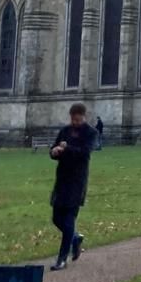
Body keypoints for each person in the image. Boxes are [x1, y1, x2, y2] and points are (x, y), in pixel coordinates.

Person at [49, 102, 95, 271]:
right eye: (73, 119)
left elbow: (84, 153)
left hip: (77, 181)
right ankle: (75, 239)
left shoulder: (91, 133)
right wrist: (54, 152)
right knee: (56, 218)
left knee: (68, 219)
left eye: (78, 119)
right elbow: (54, 149)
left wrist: (67, 148)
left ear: (84, 117)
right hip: (62, 179)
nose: (75, 122)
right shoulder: (65, 131)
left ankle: (62, 259)